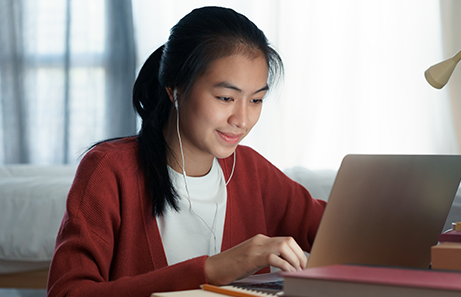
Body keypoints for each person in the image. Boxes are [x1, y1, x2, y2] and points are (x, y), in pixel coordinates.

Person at [47, 6, 326, 297]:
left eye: (256, 100)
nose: (242, 120)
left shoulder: (251, 170)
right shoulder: (109, 169)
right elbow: (67, 292)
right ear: (175, 88)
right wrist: (210, 271)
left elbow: (337, 229)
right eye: (226, 97)